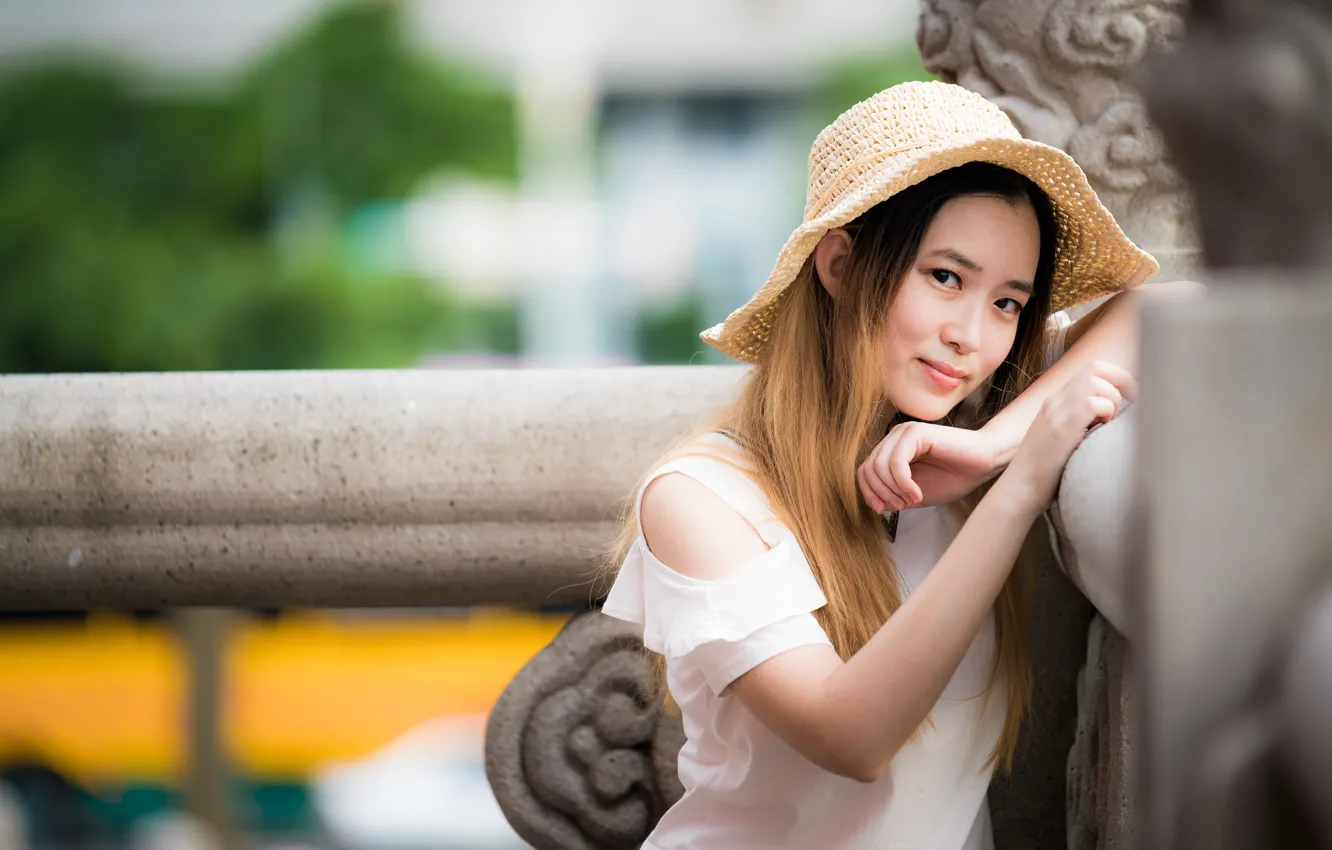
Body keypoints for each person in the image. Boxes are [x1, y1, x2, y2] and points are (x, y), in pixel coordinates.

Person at [602, 81, 1190, 849]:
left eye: (1008, 303)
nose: (970, 336)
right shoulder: (701, 499)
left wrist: (990, 447)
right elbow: (852, 737)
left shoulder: (957, 429)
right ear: (842, 266)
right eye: (945, 277)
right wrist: (1018, 485)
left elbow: (1177, 307)